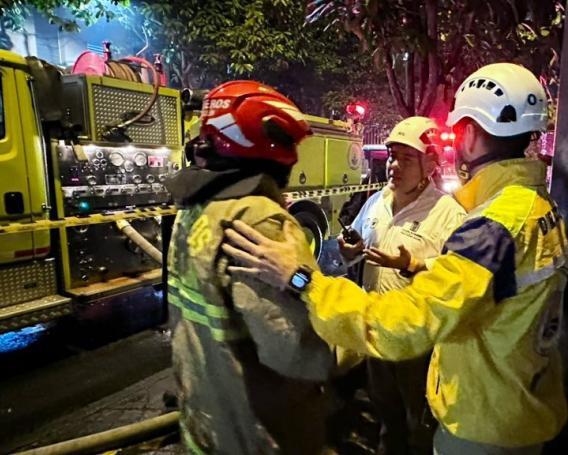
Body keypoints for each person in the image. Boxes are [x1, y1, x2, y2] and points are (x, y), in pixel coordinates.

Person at [222, 63, 568, 454]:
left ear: (470, 133)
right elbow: (489, 283)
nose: (395, 164)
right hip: (518, 403)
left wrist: (302, 280)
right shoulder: (537, 208)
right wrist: (414, 265)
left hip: (484, 424)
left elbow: (405, 323)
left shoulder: (491, 227)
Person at [166, 80, 333, 454]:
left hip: (205, 425)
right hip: (259, 435)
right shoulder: (260, 220)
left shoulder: (193, 211)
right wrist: (349, 345)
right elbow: (293, 349)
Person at [338, 116, 465, 455]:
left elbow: (460, 278)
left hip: (417, 346)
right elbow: (358, 245)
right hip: (377, 334)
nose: (393, 166)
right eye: (393, 156)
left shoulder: (449, 214)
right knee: (386, 418)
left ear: (430, 162)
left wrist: (412, 266)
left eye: (406, 158)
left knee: (419, 425)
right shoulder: (377, 202)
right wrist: (350, 251)